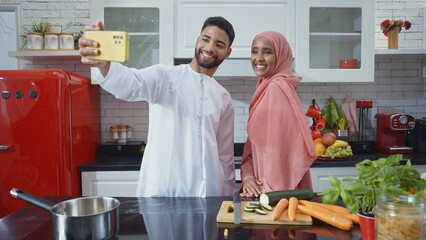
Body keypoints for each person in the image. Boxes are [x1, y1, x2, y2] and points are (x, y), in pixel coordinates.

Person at [78, 16, 236, 197]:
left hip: (208, 194)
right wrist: (104, 63)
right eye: (206, 39)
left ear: (228, 52)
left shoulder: (223, 97)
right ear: (197, 40)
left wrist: (229, 199)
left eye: (219, 44)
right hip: (162, 192)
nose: (209, 48)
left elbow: (225, 157)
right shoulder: (164, 76)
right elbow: (129, 84)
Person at [240, 31, 317, 197]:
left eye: (267, 52)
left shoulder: (277, 88)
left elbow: (281, 155)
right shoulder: (266, 86)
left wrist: (271, 195)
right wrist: (248, 177)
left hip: (275, 193)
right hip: (265, 189)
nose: (258, 58)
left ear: (280, 56)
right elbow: (253, 146)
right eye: (255, 51)